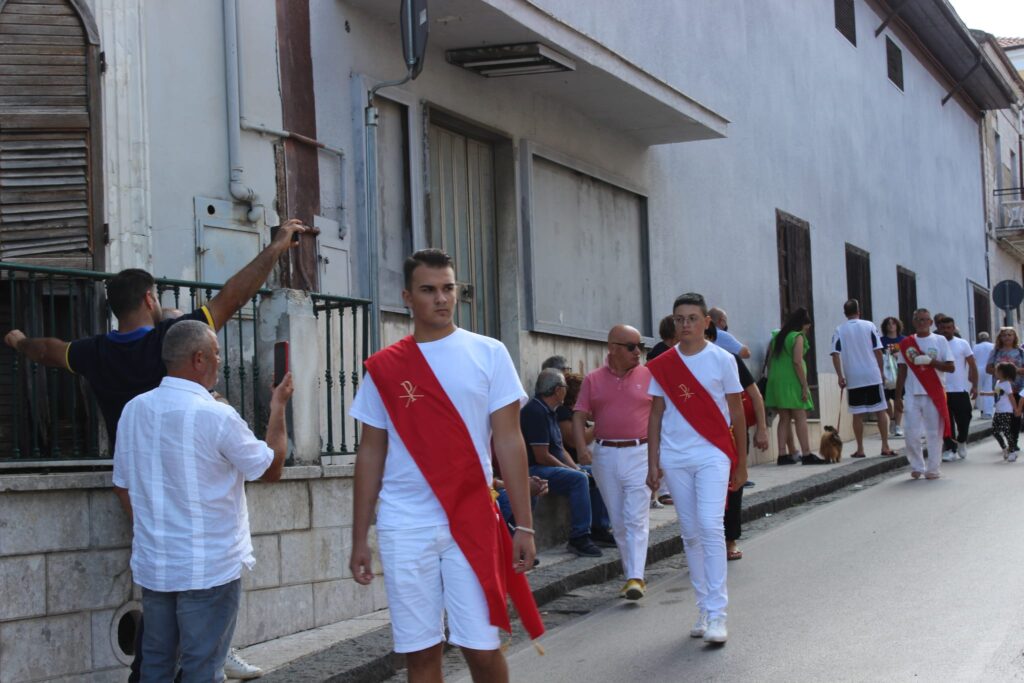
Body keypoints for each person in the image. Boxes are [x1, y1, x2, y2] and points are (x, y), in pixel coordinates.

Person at [4, 218, 309, 682]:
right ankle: (215, 654)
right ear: (150, 300)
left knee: (159, 641)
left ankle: (198, 656)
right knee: (203, 623)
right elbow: (236, 294)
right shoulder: (182, 349)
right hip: (199, 516)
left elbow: (50, 351)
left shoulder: (99, 356)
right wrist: (275, 248)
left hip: (149, 509)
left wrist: (20, 342)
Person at [348, 249, 542, 683]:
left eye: (448, 288)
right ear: (407, 297)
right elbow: (370, 453)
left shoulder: (489, 353)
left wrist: (524, 526)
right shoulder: (383, 368)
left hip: (468, 515)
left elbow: (510, 441)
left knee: (481, 646)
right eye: (429, 289)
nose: (441, 298)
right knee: (419, 654)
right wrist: (360, 536)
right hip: (404, 522)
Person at [112, 321, 293, 682]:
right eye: (216, 353)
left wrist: (153, 534)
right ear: (198, 359)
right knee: (202, 669)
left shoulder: (134, 410)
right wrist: (278, 407)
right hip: (209, 568)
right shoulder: (216, 415)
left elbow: (122, 485)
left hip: (157, 565)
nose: (220, 360)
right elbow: (271, 467)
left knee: (156, 666)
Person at [647, 292, 747, 644]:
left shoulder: (723, 359)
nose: (686, 324)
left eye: (692, 318)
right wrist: (653, 463)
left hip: (713, 453)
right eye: (679, 319)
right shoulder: (663, 364)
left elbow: (737, 412)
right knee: (689, 533)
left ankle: (719, 614)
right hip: (675, 457)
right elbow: (656, 414)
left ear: (707, 322)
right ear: (673, 323)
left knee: (710, 525)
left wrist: (742, 463)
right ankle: (704, 607)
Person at [573, 325, 653, 601]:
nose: (638, 352)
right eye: (631, 347)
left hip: (640, 452)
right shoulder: (593, 379)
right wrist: (582, 447)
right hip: (605, 454)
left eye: (640, 346)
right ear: (613, 348)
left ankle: (635, 577)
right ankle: (630, 572)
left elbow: (662, 416)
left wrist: (660, 457)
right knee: (618, 521)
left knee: (636, 517)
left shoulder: (649, 375)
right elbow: (579, 415)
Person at [521, 368, 612, 557]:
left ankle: (599, 529)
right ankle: (579, 537)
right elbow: (542, 455)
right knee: (578, 479)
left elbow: (560, 449)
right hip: (535, 469)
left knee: (596, 471)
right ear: (557, 390)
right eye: (564, 387)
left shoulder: (550, 411)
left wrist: (577, 467)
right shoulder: (535, 412)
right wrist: (573, 471)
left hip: (549, 465)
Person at [705, 322, 768, 562]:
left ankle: (730, 540)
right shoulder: (682, 363)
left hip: (731, 434)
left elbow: (755, 395)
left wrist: (761, 429)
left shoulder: (729, 360)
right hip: (700, 438)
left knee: (733, 489)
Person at [829, 299, 894, 458]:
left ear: (845, 313)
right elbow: (878, 350)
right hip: (872, 374)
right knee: (880, 411)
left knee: (857, 414)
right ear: (859, 311)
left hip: (854, 376)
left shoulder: (839, 329)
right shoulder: (869, 325)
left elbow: (835, 354)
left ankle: (860, 448)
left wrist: (840, 376)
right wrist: (881, 372)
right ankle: (885, 446)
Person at [894, 309, 954, 480]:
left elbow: (951, 367)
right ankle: (917, 466)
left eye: (925, 320)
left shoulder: (940, 340)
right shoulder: (906, 343)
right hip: (912, 393)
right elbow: (902, 371)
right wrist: (898, 397)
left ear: (931, 322)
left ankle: (933, 468)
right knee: (911, 432)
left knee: (934, 433)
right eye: (918, 320)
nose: (921, 322)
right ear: (914, 322)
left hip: (933, 392)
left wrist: (931, 362)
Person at [765, 307, 825, 465]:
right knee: (800, 417)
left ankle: (782, 455)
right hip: (792, 381)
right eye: (807, 326)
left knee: (784, 418)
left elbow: (770, 361)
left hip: (776, 381)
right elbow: (797, 361)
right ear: (803, 324)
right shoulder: (797, 337)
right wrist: (804, 385)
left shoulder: (777, 336)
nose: (807, 330)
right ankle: (806, 454)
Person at [935, 315, 978, 461]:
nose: (946, 330)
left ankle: (962, 441)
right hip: (941, 389)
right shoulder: (934, 343)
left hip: (960, 388)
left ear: (953, 328)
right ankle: (950, 449)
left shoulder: (962, 343)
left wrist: (975, 386)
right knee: (946, 422)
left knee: (965, 417)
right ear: (938, 328)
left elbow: (972, 364)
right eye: (943, 328)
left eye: (949, 328)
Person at [979, 362, 1021, 460]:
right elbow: (996, 393)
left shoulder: (1007, 384)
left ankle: (1012, 451)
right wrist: (985, 393)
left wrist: (1016, 409)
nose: (995, 372)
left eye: (997, 370)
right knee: (995, 431)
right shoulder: (998, 382)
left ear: (1002, 373)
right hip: (998, 411)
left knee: (1006, 430)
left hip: (1006, 411)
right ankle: (1004, 448)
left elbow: (1011, 398)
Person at [879, 316, 906, 437]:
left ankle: (898, 426)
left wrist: (898, 355)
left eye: (893, 323)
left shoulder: (903, 340)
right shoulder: (881, 341)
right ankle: (892, 419)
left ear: (897, 325)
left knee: (898, 399)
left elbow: (908, 356)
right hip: (885, 373)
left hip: (900, 374)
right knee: (885, 400)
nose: (891, 326)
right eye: (888, 324)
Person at [973, 332, 995, 417]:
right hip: (989, 369)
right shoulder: (992, 346)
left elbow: (973, 359)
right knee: (988, 390)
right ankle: (988, 411)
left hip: (978, 369)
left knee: (980, 390)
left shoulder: (975, 347)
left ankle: (981, 410)